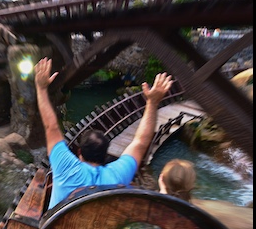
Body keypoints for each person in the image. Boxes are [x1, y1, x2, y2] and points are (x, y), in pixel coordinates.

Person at [34, 57, 174, 210]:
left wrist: (41, 88)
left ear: (79, 152)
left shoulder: (65, 166)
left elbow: (51, 127)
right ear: (105, 156)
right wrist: (152, 103)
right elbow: (140, 142)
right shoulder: (118, 175)